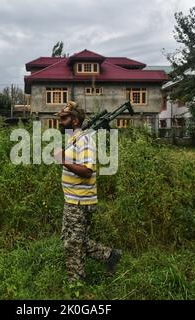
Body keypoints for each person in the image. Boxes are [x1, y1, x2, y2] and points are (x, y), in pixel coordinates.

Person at [54, 101, 122, 282]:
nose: (61, 122)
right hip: (72, 200)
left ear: (75, 121)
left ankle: (76, 282)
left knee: (72, 243)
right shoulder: (73, 139)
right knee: (74, 239)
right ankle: (109, 255)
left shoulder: (84, 140)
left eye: (64, 118)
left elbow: (87, 170)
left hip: (80, 202)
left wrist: (63, 160)